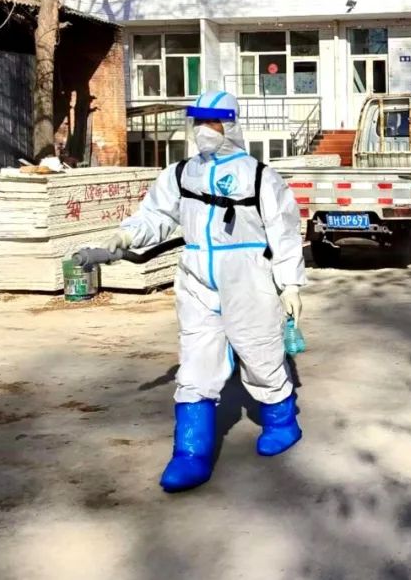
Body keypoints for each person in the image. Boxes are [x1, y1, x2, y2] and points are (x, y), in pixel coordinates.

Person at [105, 90, 306, 493]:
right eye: (198, 121)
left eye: (212, 122)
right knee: (196, 362)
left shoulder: (258, 176)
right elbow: (156, 214)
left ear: (230, 124)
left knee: (259, 352)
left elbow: (284, 230)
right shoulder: (181, 174)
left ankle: (281, 422)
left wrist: (289, 283)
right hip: (197, 276)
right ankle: (190, 453)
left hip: (248, 277)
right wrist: (129, 234)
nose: (203, 130)